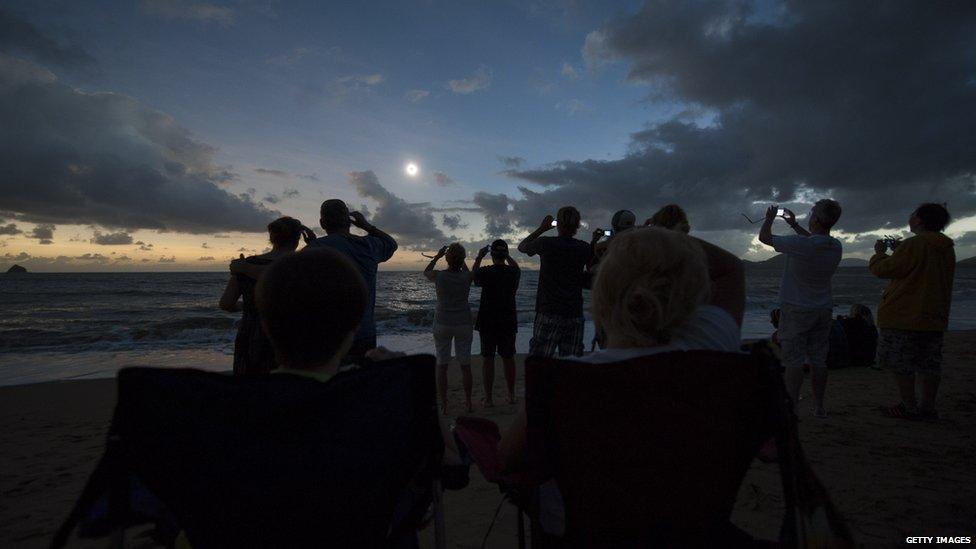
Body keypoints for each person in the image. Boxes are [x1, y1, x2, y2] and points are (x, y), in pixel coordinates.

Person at [499, 227, 745, 537]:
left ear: (602, 300)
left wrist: (627, 243)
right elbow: (732, 269)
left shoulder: (567, 380)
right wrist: (643, 236)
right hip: (695, 529)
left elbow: (508, 458)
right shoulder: (713, 341)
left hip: (584, 533)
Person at [255, 248, 464, 547]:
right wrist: (412, 384)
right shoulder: (378, 406)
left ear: (266, 326)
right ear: (354, 329)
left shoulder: (231, 410)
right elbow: (453, 467)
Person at [758, 200, 842, 419]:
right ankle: (819, 407)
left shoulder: (803, 245)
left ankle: (791, 407)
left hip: (796, 309)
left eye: (812, 212)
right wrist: (794, 225)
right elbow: (813, 241)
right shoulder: (835, 246)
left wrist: (768, 219)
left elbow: (764, 238)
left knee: (793, 361)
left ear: (815, 219)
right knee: (818, 360)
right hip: (822, 309)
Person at [871, 203, 955, 420]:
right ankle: (928, 407)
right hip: (934, 315)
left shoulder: (914, 245)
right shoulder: (945, 247)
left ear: (919, 220)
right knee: (929, 364)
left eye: (913, 214)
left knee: (901, 364)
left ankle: (909, 406)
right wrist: (901, 251)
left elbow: (884, 270)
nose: (910, 217)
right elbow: (922, 268)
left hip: (903, 315)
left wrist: (879, 254)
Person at [219, 217, 314, 375]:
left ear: (271, 238)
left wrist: (250, 305)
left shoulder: (244, 265)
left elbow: (226, 303)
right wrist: (312, 244)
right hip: (290, 334)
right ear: (298, 239)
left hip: (251, 334)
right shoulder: (301, 265)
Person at [517, 207, 593, 357]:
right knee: (572, 366)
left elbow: (522, 247)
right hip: (574, 313)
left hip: (548, 312)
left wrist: (542, 228)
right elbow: (592, 271)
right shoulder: (584, 248)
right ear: (577, 225)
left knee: (539, 363)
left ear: (557, 224)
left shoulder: (545, 243)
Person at [424, 243, 474, 414]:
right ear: (462, 259)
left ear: (447, 258)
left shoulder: (440, 276)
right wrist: (463, 260)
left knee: (442, 365)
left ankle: (444, 404)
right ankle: (468, 402)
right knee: (465, 365)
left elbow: (426, 271)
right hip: (463, 323)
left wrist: (437, 256)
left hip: (442, 323)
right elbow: (468, 273)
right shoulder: (467, 277)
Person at [472, 239, 521, 407]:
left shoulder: (486, 272)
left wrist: (479, 257)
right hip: (508, 320)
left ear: (492, 255)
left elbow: (474, 276)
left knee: (488, 359)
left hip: (488, 320)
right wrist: (507, 256)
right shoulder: (513, 272)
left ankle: (489, 398)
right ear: (505, 254)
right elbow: (517, 268)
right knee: (508, 358)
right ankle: (511, 394)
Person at [586, 210, 637, 350]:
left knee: (609, 348)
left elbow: (591, 266)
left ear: (614, 224)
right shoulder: (640, 247)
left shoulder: (607, 247)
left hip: (610, 308)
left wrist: (594, 242)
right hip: (633, 307)